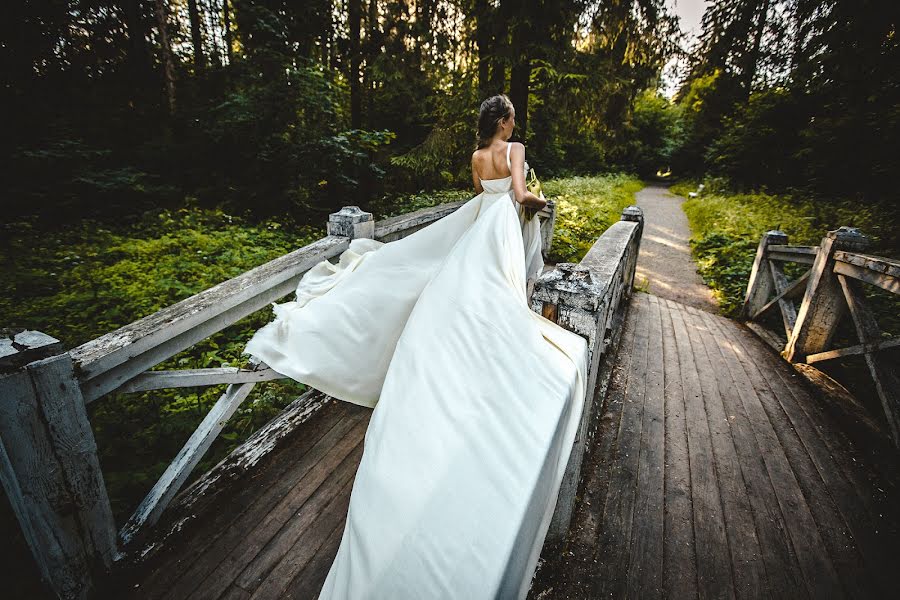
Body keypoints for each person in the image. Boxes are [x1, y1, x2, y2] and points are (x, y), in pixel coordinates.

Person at [243, 94, 588, 599]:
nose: (516, 121)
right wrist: (542, 201)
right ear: (506, 121)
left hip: (479, 224)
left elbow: (483, 193)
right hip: (500, 230)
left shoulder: (475, 156)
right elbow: (516, 196)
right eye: (513, 115)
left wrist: (510, 199)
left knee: (465, 292)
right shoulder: (515, 149)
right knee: (496, 294)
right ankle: (488, 366)